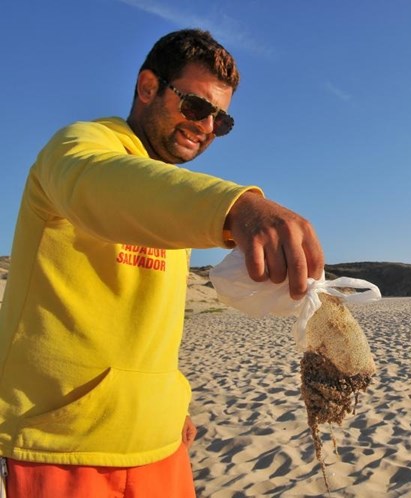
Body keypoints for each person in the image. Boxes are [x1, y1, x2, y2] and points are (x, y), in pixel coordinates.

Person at [0, 29, 324, 497]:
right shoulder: (79, 146)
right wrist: (235, 207)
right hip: (59, 446)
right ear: (148, 87)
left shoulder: (169, 196)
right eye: (196, 107)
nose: (207, 126)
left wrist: (173, 405)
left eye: (221, 120)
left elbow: (150, 327)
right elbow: (96, 183)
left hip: (161, 442)